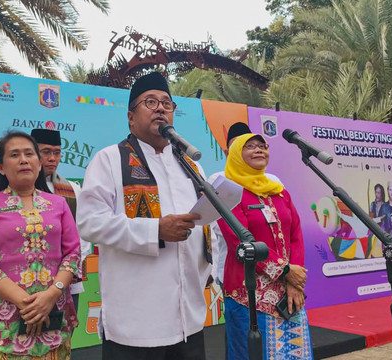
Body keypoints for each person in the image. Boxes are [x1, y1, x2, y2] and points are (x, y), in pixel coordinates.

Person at [77, 72, 214, 360]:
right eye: (150, 102)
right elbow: (90, 223)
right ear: (130, 117)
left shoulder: (190, 166)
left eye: (167, 103)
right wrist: (155, 230)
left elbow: (204, 227)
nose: (161, 108)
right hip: (135, 323)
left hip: (189, 317)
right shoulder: (110, 159)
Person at [0, 131, 81, 359]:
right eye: (14, 155)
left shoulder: (59, 203)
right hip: (4, 317)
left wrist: (50, 296)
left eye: (29, 154)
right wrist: (28, 304)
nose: (23, 160)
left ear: (39, 163)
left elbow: (73, 253)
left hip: (54, 312)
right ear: (0, 167)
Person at [218, 133, 312, 360]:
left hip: (288, 295)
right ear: (236, 155)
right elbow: (240, 242)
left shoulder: (278, 191)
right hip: (247, 293)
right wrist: (286, 271)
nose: (259, 150)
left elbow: (296, 235)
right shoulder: (227, 192)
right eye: (250, 146)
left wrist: (294, 282)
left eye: (263, 146)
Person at [207, 122, 283, 290]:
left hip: (280, 272)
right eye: (239, 146)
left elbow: (289, 230)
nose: (247, 151)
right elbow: (223, 231)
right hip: (239, 270)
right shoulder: (220, 181)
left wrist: (287, 269)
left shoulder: (273, 182)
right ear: (229, 153)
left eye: (253, 145)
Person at [31, 129, 92, 316]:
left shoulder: (72, 190)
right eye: (46, 152)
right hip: (27, 281)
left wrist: (66, 272)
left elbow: (83, 235)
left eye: (57, 153)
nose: (52, 158)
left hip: (66, 282)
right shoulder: (19, 188)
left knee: (62, 339)